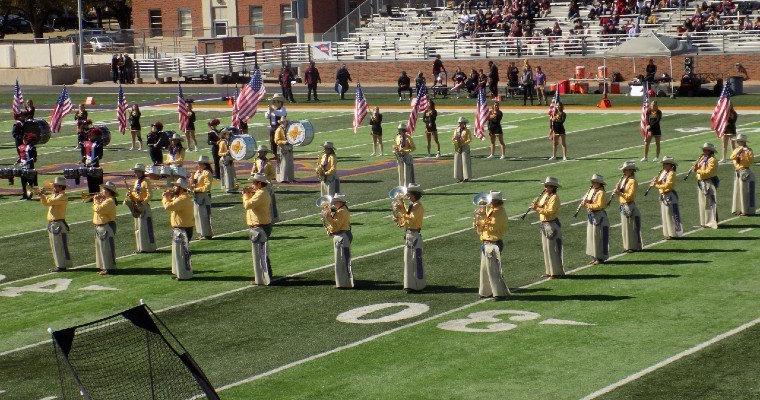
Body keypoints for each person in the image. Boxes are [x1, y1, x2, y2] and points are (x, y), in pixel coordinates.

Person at [473, 191, 509, 299]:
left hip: (494, 244)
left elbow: (492, 227)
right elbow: (481, 229)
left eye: (490, 201)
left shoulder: (500, 213)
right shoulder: (491, 210)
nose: (488, 204)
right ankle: (486, 292)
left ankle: (500, 293)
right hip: (486, 243)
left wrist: (483, 218)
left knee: (494, 270)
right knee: (484, 269)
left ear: (495, 202)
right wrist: (478, 217)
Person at [392, 184, 425, 292]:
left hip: (414, 235)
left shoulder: (418, 206)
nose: (407, 196)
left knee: (414, 261)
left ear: (414, 195)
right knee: (408, 261)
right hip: (409, 235)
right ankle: (409, 285)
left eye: (409, 194)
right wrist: (398, 218)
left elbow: (411, 220)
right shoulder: (411, 205)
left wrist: (401, 209)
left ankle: (417, 285)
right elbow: (405, 222)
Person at [243, 173, 273, 285]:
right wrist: (250, 193)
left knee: (262, 253)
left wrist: (246, 195)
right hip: (258, 227)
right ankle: (261, 277)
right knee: (259, 254)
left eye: (254, 183)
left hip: (261, 227)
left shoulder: (260, 194)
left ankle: (267, 277)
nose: (252, 185)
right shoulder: (260, 192)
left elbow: (247, 205)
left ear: (260, 183)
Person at [532, 177, 564, 278]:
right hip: (544, 223)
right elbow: (542, 207)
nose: (545, 188)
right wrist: (536, 205)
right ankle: (549, 271)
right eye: (545, 186)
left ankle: (556, 272)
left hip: (551, 224)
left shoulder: (555, 197)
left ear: (553, 187)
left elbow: (550, 212)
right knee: (546, 249)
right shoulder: (545, 195)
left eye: (548, 186)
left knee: (552, 249)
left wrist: (536, 208)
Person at [162, 178, 195, 280]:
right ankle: (180, 273)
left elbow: (168, 207)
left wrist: (165, 197)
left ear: (181, 188)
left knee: (182, 254)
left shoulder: (183, 199)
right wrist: (169, 197)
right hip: (180, 229)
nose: (174, 188)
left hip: (183, 229)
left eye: (176, 186)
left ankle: (185, 275)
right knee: (178, 253)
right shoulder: (181, 197)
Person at [321, 193, 354, 289]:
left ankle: (346, 283)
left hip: (342, 236)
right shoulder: (341, 210)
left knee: (343, 260)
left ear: (340, 202)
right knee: (340, 260)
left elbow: (336, 225)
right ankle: (342, 283)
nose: (334, 204)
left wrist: (328, 217)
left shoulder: (342, 211)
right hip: (341, 236)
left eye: (335, 202)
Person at [40, 177, 72, 272]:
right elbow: (45, 203)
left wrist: (42, 194)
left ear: (61, 187)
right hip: (52, 223)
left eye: (55, 185)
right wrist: (42, 195)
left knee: (59, 246)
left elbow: (50, 202)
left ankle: (62, 266)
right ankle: (60, 265)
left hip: (58, 224)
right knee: (55, 246)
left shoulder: (62, 196)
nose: (53, 187)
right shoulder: (55, 195)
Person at [124, 163, 156, 253]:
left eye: (137, 171)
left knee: (144, 227)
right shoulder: (136, 182)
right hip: (137, 205)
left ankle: (148, 247)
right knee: (138, 227)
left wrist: (143, 203)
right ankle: (140, 247)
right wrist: (130, 195)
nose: (135, 173)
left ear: (141, 172)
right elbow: (135, 193)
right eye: (135, 171)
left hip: (143, 206)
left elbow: (150, 195)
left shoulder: (146, 182)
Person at [651, 156, 683, 239]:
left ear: (671, 165)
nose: (663, 165)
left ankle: (673, 233)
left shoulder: (671, 173)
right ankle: (667, 233)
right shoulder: (663, 172)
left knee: (670, 215)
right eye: (663, 164)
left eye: (666, 164)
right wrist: (656, 181)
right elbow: (661, 182)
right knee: (665, 215)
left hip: (669, 195)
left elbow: (667, 185)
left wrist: (656, 185)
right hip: (663, 195)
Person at [614, 161, 643, 252]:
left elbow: (630, 196)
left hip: (629, 205)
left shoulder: (633, 181)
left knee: (631, 227)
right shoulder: (623, 180)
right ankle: (627, 246)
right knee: (625, 228)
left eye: (625, 170)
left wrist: (619, 193)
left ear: (631, 171)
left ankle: (634, 246)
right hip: (623, 205)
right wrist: (618, 191)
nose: (623, 172)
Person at [582, 174, 610, 264]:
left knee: (598, 237)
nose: (593, 183)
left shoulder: (601, 192)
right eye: (592, 182)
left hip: (599, 215)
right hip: (591, 215)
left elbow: (599, 206)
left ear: (600, 183)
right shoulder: (591, 190)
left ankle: (600, 257)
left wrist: (587, 205)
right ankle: (594, 256)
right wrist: (585, 201)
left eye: (595, 182)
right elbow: (586, 199)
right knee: (591, 237)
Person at [92, 181, 118, 275]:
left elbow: (99, 209)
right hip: (100, 226)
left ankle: (109, 267)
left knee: (106, 248)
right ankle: (104, 267)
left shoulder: (110, 201)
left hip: (106, 226)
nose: (102, 191)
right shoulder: (105, 200)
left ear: (109, 191)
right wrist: (99, 200)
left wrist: (95, 201)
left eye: (104, 190)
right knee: (101, 248)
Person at [250, 145, 279, 223]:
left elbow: (272, 174)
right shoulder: (256, 161)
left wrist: (265, 177)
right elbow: (253, 171)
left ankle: (271, 218)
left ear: (265, 153)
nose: (259, 154)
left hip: (266, 183)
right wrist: (255, 175)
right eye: (258, 152)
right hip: (258, 183)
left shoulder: (269, 163)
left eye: (260, 152)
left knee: (269, 201)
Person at [694, 143, 719, 229]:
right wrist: (695, 167)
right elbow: (698, 168)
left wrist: (698, 171)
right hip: (701, 181)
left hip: (709, 182)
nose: (703, 151)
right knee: (702, 202)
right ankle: (704, 221)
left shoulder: (712, 160)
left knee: (709, 202)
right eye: (703, 149)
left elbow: (709, 172)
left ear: (710, 151)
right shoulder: (702, 158)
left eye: (705, 150)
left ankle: (711, 221)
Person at [730, 134, 755, 216]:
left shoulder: (748, 150)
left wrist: (745, 152)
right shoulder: (737, 149)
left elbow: (749, 161)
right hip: (738, 172)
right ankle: (739, 209)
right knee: (738, 192)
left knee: (745, 192)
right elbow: (732, 157)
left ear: (743, 142)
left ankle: (746, 211)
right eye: (737, 141)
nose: (737, 142)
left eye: (739, 141)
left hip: (745, 172)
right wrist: (739, 151)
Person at [191, 156, 214, 239]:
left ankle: (207, 233)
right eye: (198, 163)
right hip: (196, 195)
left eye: (200, 163)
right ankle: (201, 232)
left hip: (204, 195)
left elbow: (207, 186)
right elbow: (194, 182)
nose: (198, 165)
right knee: (197, 214)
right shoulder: (197, 172)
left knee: (204, 214)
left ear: (205, 165)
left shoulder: (207, 173)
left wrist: (197, 189)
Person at [81, 125, 104, 197]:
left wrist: (92, 161)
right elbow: (84, 153)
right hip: (87, 164)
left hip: (95, 165)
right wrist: (84, 159)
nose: (90, 135)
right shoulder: (86, 143)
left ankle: (97, 196)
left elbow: (100, 156)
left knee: (96, 181)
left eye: (92, 134)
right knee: (89, 181)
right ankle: (91, 195)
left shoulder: (98, 144)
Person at [17, 133, 37, 200]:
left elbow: (34, 159)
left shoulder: (31, 147)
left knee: (29, 182)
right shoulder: (22, 147)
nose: (23, 141)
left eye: (24, 139)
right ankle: (24, 195)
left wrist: (27, 162)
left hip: (30, 167)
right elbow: (22, 157)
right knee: (23, 182)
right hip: (23, 167)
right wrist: (19, 160)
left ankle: (30, 195)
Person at [274, 118, 295, 183]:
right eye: (283, 122)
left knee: (290, 163)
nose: (284, 123)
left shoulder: (288, 128)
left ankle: (290, 178)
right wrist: (284, 142)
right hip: (282, 148)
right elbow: (276, 140)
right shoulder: (279, 130)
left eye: (285, 122)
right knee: (283, 164)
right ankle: (283, 178)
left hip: (289, 148)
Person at [453, 117, 473, 182]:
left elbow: (469, 139)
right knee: (458, 161)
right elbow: (453, 138)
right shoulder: (456, 130)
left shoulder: (467, 131)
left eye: (462, 123)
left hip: (465, 147)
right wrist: (456, 143)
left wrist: (463, 143)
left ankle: (466, 177)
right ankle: (459, 177)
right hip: (458, 147)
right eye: (460, 123)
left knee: (465, 161)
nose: (460, 124)